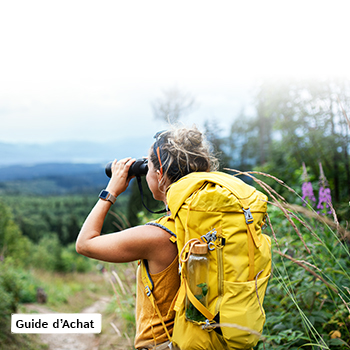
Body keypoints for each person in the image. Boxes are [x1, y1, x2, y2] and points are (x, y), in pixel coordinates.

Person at [76, 126, 218, 350]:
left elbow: (84, 243)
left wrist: (110, 191)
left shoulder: (157, 236)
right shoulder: (216, 224)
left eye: (148, 167)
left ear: (160, 176)